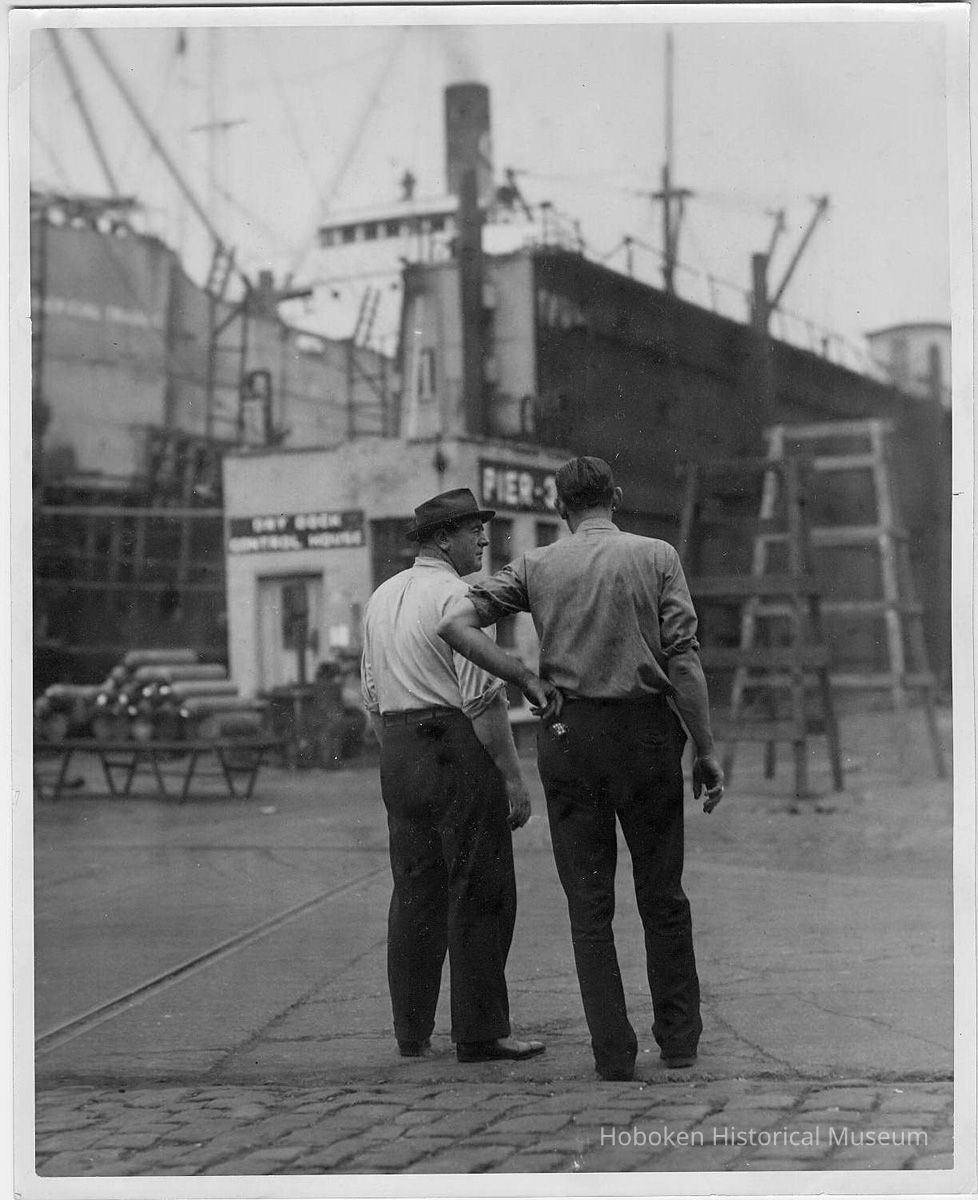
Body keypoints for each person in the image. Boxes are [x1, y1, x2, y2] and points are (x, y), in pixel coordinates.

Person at [438, 456, 724, 1082]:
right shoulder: (657, 557)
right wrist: (703, 749)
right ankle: (678, 1040)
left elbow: (453, 622)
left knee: (589, 904)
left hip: (570, 735)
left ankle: (612, 1052)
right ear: (615, 498)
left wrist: (525, 678)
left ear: (561, 506)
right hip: (648, 736)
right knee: (663, 894)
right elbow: (684, 662)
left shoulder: (537, 565)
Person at [361, 486, 545, 1064]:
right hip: (453, 750)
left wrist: (399, 750)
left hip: (397, 750)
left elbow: (370, 695)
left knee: (414, 891)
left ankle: (411, 1031)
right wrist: (514, 780)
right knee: (481, 889)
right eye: (473, 531)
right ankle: (481, 1031)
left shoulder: (381, 597)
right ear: (444, 539)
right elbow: (485, 701)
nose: (485, 539)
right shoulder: (461, 599)